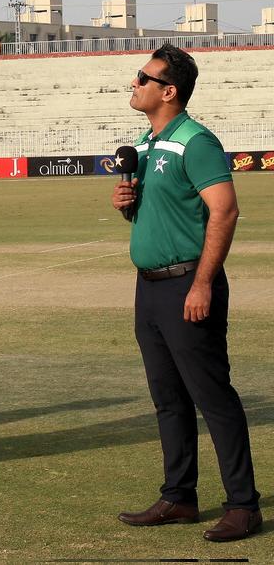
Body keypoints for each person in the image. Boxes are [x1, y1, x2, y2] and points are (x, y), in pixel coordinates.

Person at [112, 44, 261, 542]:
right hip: (149, 289)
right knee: (168, 400)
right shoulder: (147, 141)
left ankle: (243, 505)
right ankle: (179, 497)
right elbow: (162, 213)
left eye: (143, 77)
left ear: (168, 91)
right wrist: (127, 204)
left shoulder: (195, 141)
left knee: (212, 397)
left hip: (186, 285)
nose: (134, 84)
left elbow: (225, 210)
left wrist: (201, 283)